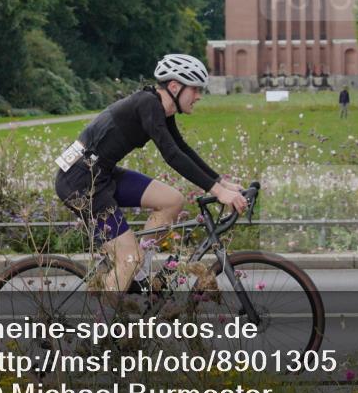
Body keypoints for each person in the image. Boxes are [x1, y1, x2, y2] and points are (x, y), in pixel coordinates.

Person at [54, 54, 247, 300]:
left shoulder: (161, 109)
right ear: (175, 87)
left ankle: (138, 275)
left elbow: (182, 149)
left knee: (172, 200)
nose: (199, 96)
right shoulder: (148, 104)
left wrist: (220, 182)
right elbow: (171, 156)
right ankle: (101, 332)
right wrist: (218, 192)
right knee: (128, 258)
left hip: (102, 174)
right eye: (196, 89)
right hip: (80, 183)